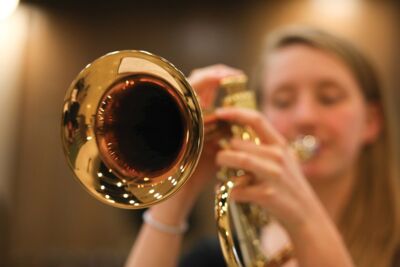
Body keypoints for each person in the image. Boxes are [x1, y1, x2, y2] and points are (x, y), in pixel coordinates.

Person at [124, 27, 400, 267]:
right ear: (259, 117)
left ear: (371, 122)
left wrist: (304, 219)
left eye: (328, 98)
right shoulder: (219, 255)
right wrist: (178, 193)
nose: (305, 117)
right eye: (282, 101)